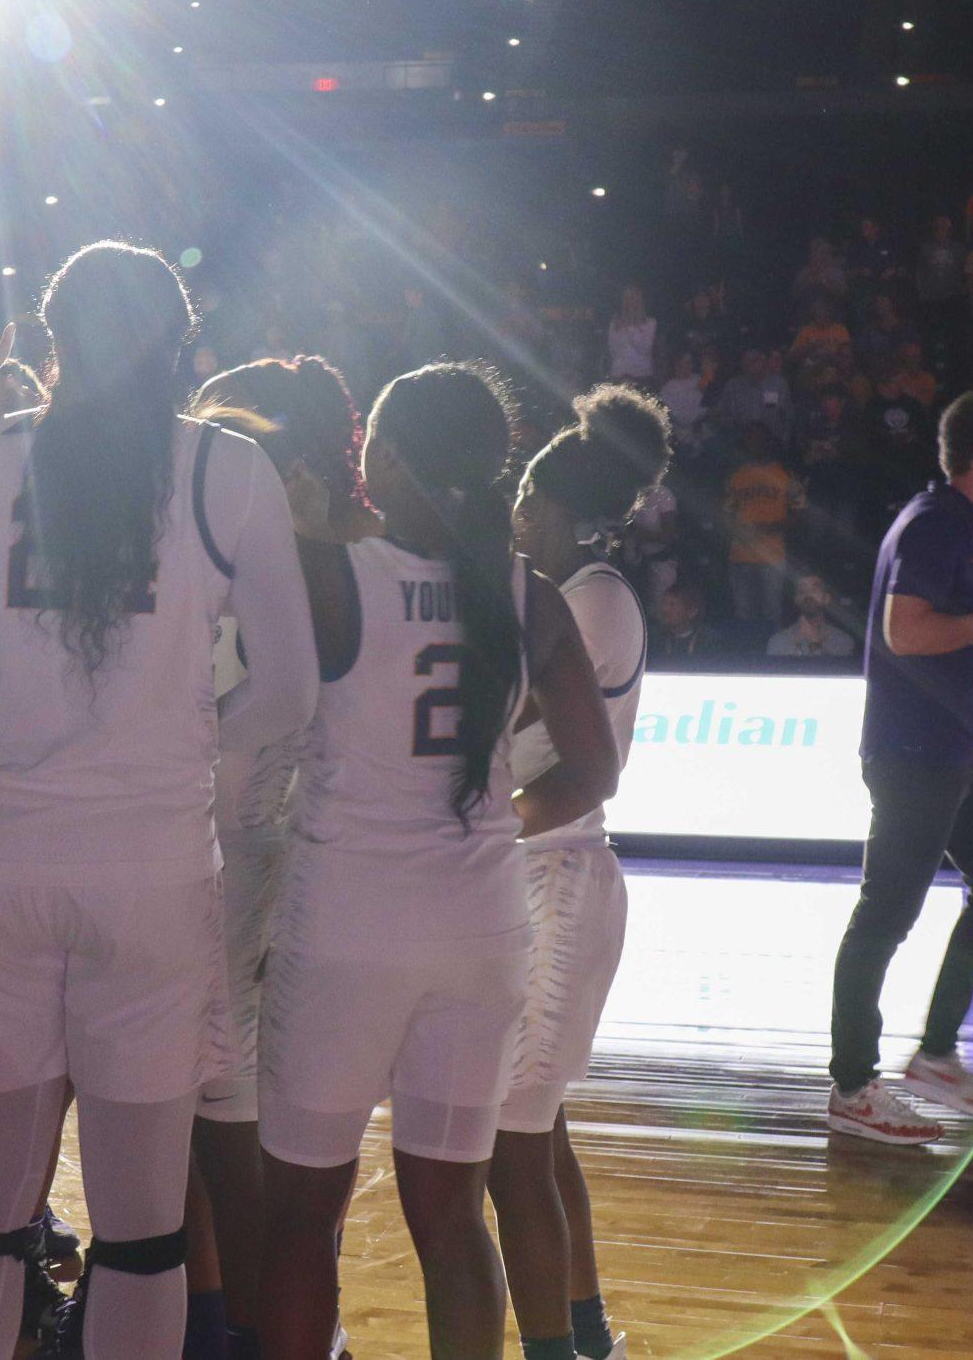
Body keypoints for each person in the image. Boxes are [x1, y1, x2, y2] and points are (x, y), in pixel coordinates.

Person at [0, 242, 316, 1360]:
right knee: (143, 1236)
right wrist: (200, 757)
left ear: (51, 341)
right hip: (155, 871)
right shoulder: (225, 469)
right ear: (179, 347)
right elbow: (289, 681)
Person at [257, 363, 619, 1360]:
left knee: (299, 1216)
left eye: (372, 439)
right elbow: (594, 769)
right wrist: (493, 815)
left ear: (396, 456)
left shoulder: (330, 572)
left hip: (348, 924)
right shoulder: (525, 593)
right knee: (453, 1220)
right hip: (480, 926)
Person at [182, 355, 376, 1356]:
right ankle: (231, 1320)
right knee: (239, 1128)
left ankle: (254, 1327)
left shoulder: (281, 565)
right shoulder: (328, 561)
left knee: (227, 1126)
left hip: (241, 863)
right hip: (276, 865)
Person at [487, 386, 669, 1360]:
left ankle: (558, 1349)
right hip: (539, 878)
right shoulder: (574, 592)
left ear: (562, 512)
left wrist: (475, 823)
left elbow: (567, 773)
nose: (516, 517)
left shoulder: (589, 598)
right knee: (537, 1139)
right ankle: (589, 1337)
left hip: (553, 882)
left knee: (510, 1151)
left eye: (526, 501)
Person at [828, 391, 973, 1146]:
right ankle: (853, 1083)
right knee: (885, 914)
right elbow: (906, 631)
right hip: (915, 751)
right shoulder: (936, 524)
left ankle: (933, 1055)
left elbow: (934, 630)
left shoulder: (952, 523)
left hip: (950, 750)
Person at [722, 427, 799, 636]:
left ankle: (772, 657)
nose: (754, 444)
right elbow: (726, 514)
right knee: (744, 613)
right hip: (741, 555)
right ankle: (747, 655)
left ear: (768, 442)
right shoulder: (736, 475)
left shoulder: (784, 474)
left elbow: (799, 513)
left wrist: (772, 527)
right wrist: (737, 530)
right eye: (750, 440)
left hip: (772, 555)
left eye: (759, 439)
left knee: (772, 613)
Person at [768, 574, 859, 660]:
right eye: (802, 591)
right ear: (796, 600)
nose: (808, 595)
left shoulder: (843, 641)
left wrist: (814, 643)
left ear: (826, 598)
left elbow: (834, 674)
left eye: (814, 590)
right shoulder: (778, 641)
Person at [604, 286, 656, 385]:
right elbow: (613, 350)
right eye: (627, 298)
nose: (630, 301)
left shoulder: (650, 323)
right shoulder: (615, 323)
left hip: (641, 376)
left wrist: (631, 327)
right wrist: (619, 328)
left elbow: (645, 349)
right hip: (619, 376)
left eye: (633, 297)